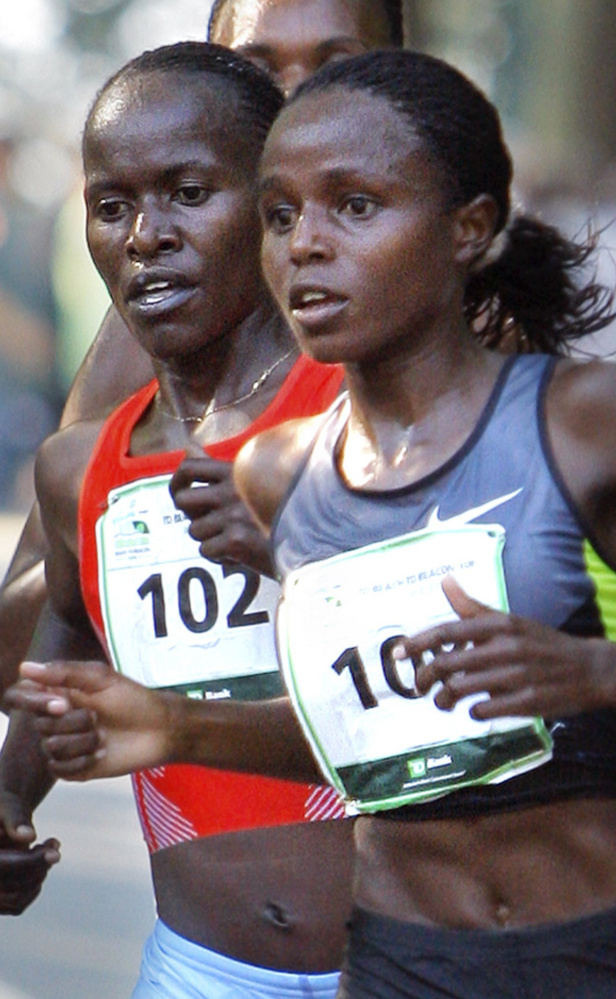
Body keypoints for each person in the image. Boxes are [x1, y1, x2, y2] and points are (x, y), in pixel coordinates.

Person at [15, 49, 616, 997]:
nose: (304, 244)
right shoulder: (278, 471)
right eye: (281, 215)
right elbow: (375, 741)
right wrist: (174, 726)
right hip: (399, 965)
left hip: (614, 955)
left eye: (355, 206)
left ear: (468, 228)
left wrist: (600, 672)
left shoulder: (592, 417)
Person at [0, 0, 403, 936]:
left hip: (412, 950)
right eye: (264, 67)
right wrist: (16, 789)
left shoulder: (422, 349)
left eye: (334, 64)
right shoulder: (131, 365)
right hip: (202, 954)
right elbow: (54, 604)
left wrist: (300, 548)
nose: (301, 101)